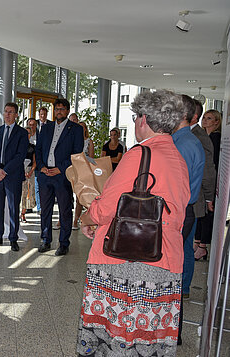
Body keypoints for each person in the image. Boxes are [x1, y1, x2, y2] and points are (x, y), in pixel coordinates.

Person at [77, 90, 190, 354]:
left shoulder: (139, 154)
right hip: (165, 259)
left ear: (144, 118)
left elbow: (105, 209)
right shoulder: (178, 159)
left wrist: (85, 216)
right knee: (149, 332)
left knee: (120, 331)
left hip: (127, 262)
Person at [172, 94, 205, 343]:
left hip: (180, 211)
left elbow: (174, 187)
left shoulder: (182, 145)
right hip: (185, 209)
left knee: (172, 271)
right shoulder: (184, 140)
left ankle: (173, 330)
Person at [35, 98, 83, 255]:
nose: (59, 112)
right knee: (45, 210)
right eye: (56, 109)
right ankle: (45, 240)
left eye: (62, 109)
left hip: (62, 175)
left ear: (68, 111)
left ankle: (63, 243)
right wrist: (41, 167)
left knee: (65, 210)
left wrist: (60, 169)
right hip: (45, 174)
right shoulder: (46, 127)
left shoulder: (75, 129)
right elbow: (39, 149)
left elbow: (77, 153)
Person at [0, 102, 29, 251]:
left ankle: (13, 238)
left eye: (11, 112)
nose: (7, 114)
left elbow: (20, 155)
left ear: (16, 115)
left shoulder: (22, 133)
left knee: (13, 208)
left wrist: (5, 170)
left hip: (12, 176)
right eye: (5, 112)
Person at [192, 106, 220, 260]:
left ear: (216, 122)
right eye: (205, 117)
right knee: (200, 212)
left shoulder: (215, 138)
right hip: (202, 180)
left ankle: (202, 246)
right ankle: (197, 242)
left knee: (207, 212)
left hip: (210, 180)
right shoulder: (201, 136)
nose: (205, 120)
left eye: (209, 118)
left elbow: (211, 163)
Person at [72, 121, 94, 229]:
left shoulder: (89, 142)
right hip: (73, 170)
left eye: (83, 127)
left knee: (80, 197)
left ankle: (77, 219)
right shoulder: (72, 140)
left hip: (84, 171)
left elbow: (91, 158)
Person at [21, 119, 37, 223]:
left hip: (30, 170)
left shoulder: (33, 147)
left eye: (29, 133)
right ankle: (19, 213)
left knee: (29, 192)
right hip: (20, 170)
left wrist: (31, 171)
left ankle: (23, 212)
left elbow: (35, 161)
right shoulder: (18, 146)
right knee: (21, 192)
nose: (27, 135)